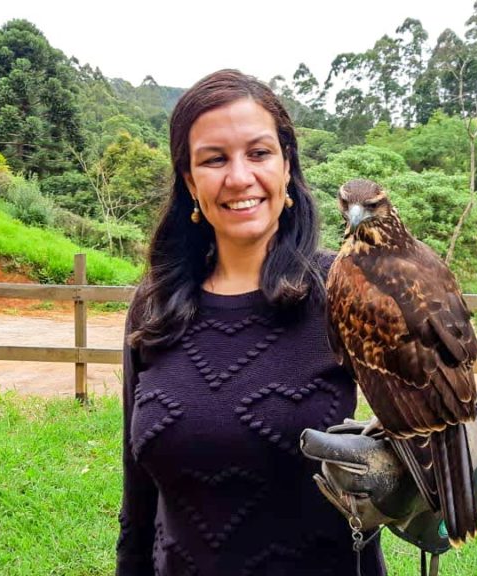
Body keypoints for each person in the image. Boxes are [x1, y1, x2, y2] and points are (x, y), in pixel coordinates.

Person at [115, 69, 387, 576]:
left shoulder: (346, 286)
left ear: (287, 166)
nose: (239, 177)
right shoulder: (155, 304)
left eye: (258, 153)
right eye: (214, 159)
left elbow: (450, 402)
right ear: (190, 182)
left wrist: (415, 469)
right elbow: (138, 497)